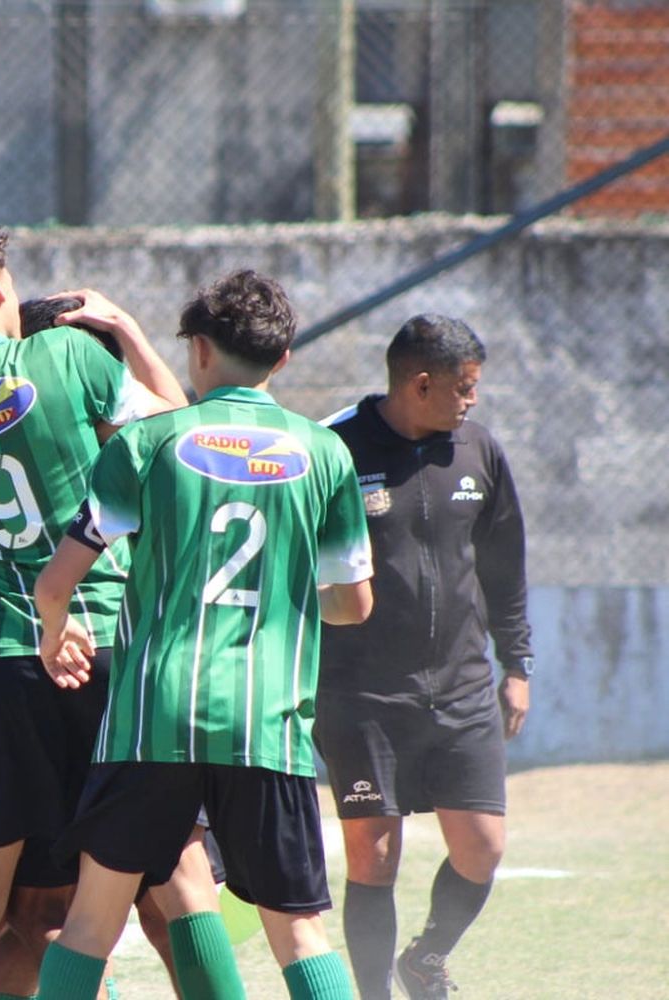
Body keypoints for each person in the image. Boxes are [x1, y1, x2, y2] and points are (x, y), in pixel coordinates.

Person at [30, 269, 375, 1000]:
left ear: (199, 352)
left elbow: (55, 583)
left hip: (153, 719)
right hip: (266, 722)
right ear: (282, 361)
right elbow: (354, 604)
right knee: (300, 934)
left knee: (92, 923)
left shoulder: (147, 444)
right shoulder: (326, 454)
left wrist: (54, 634)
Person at [0, 225, 193, 1000]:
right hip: (112, 645)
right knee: (176, 882)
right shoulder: (67, 357)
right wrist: (120, 327)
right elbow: (179, 427)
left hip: (9, 659)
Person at [316, 314, 534, 1000]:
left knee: (483, 848)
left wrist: (518, 665)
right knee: (372, 857)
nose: (472, 400)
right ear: (420, 383)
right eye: (464, 388)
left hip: (463, 688)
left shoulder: (479, 450)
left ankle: (426, 957)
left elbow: (505, 568)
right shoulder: (335, 448)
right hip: (361, 694)